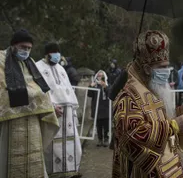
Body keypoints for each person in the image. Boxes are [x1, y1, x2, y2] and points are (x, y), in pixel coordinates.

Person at [112, 30, 183, 178]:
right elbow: (133, 135)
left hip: (170, 166)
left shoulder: (153, 87)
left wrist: (180, 114)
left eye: (167, 66)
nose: (167, 71)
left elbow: (160, 120)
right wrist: (174, 125)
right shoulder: (127, 97)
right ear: (147, 69)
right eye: (162, 67)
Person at [0, 29, 59, 178]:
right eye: (22, 47)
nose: (26, 51)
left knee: (34, 156)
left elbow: (41, 89)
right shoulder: (1, 59)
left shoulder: (30, 62)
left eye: (29, 48)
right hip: (11, 121)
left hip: (33, 120)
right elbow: (3, 90)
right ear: (13, 45)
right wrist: (33, 96)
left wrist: (50, 106)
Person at [36, 42, 82, 178]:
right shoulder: (38, 67)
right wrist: (50, 106)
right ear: (47, 54)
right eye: (53, 52)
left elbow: (68, 90)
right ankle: (54, 173)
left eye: (58, 52)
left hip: (67, 114)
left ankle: (71, 171)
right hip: (52, 112)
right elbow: (39, 92)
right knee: (52, 145)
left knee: (71, 144)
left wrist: (73, 111)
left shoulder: (61, 69)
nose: (57, 55)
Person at [88, 70, 110, 147]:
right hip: (97, 107)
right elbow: (89, 95)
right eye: (98, 76)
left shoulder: (107, 84)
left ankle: (106, 139)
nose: (100, 77)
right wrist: (90, 86)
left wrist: (105, 86)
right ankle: (100, 139)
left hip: (106, 107)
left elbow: (110, 94)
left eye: (101, 76)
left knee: (106, 125)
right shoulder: (95, 85)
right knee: (99, 125)